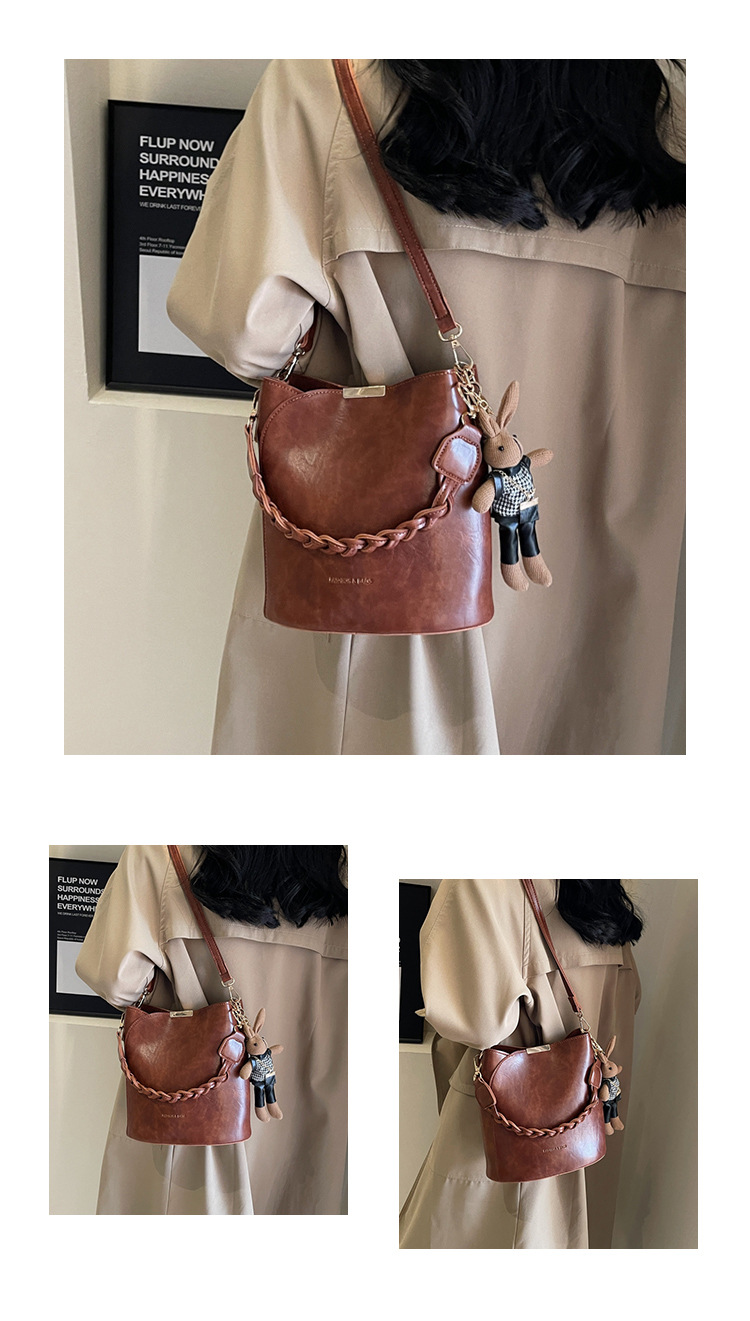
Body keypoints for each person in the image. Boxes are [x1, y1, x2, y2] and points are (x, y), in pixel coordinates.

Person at [167, 59, 685, 755]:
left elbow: (242, 330)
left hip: (378, 602)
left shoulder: (329, 81)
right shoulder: (689, 117)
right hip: (623, 611)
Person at [75, 844, 348, 1215]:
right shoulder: (349, 870)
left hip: (189, 1111)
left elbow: (115, 981)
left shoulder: (161, 851)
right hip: (325, 1113)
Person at [399, 879, 642, 1249]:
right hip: (591, 1131)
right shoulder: (603, 888)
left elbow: (477, 1023)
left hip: (512, 1135)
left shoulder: (483, 881)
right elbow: (630, 999)